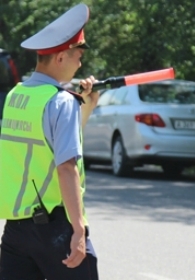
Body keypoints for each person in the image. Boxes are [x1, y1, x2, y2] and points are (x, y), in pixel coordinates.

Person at [0, 3, 99, 279]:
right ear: (60, 58)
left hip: (16, 230)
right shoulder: (61, 102)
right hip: (54, 227)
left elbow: (46, 142)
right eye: (78, 57)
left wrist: (87, 107)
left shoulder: (16, 96)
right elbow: (66, 166)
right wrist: (78, 228)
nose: (80, 64)